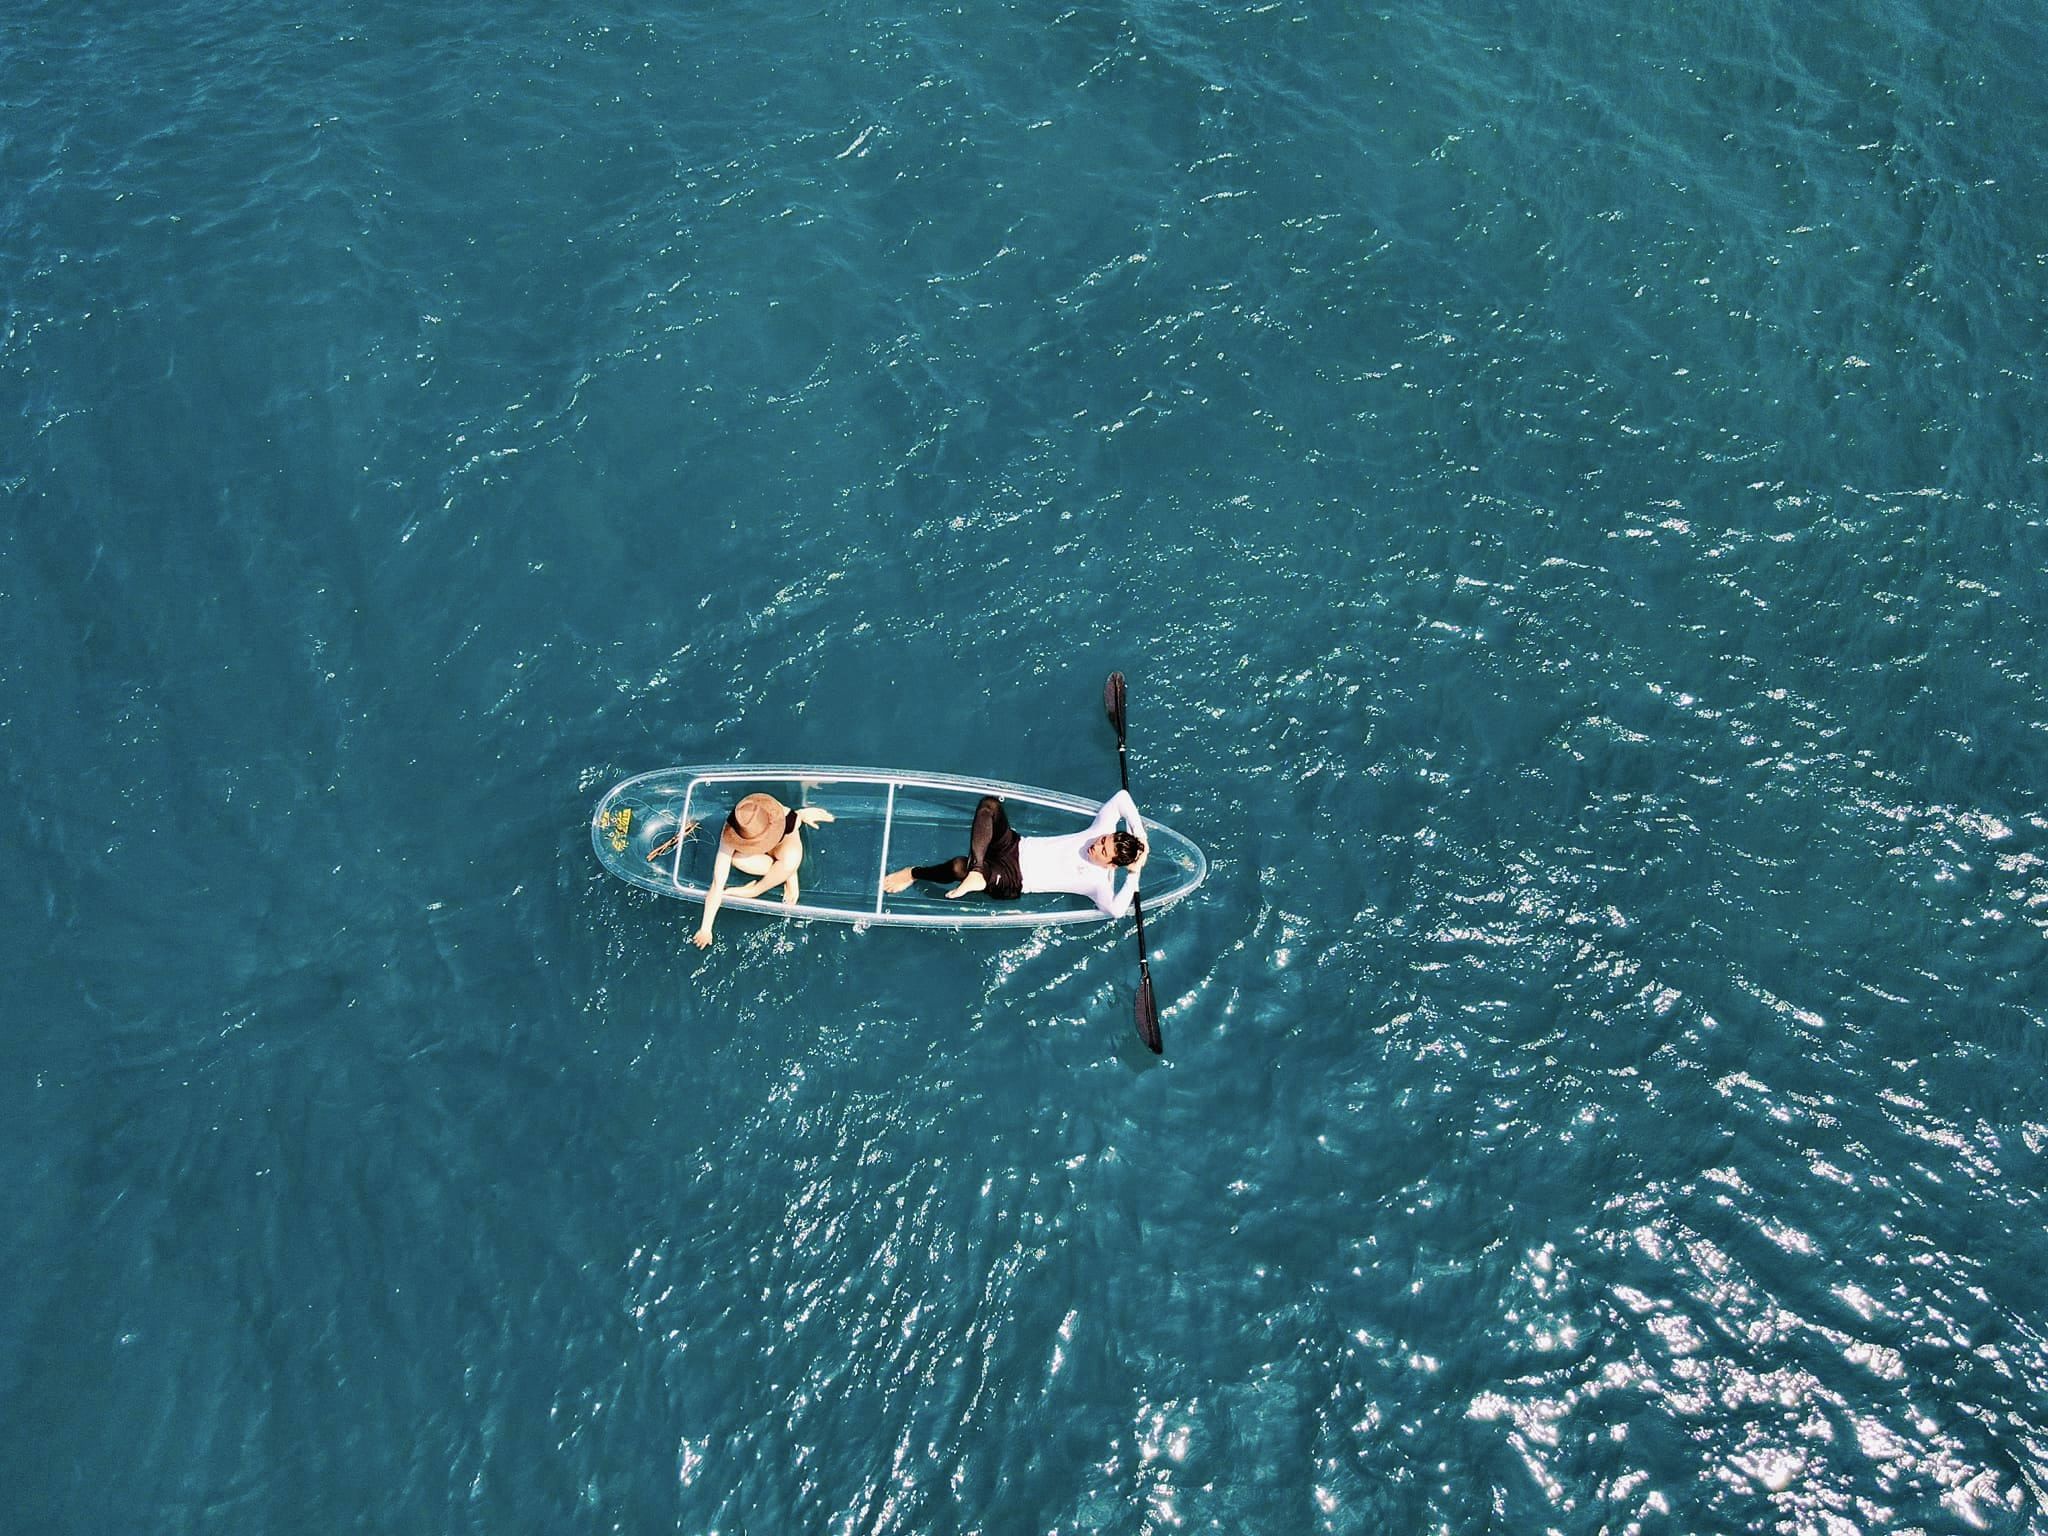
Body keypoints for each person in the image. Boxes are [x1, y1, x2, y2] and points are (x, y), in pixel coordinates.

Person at [883, 790, 1147, 917]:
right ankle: (977, 871)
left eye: (1103, 850)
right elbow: (1123, 798)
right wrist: (1141, 833)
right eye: (1104, 839)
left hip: (1013, 878)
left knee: (956, 868)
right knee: (990, 805)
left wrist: (1133, 875)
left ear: (1112, 865)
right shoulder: (1101, 829)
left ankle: (913, 873)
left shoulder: (1098, 884)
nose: (1097, 844)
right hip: (1014, 845)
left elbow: (1115, 910)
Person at [648, 791, 834, 947]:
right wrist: (706, 928)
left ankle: (763, 886)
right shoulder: (734, 832)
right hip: (763, 858)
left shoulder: (784, 816)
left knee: (791, 860)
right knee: (738, 860)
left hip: (784, 845)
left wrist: (803, 814)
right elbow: (717, 884)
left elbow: (797, 819)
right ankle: (775, 878)